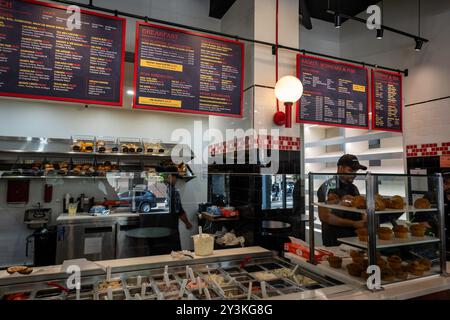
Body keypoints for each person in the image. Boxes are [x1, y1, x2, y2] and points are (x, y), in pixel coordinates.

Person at [317, 154, 367, 246]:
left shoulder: (354, 188)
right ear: (340, 168)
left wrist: (365, 220)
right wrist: (354, 224)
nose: (354, 174)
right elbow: (325, 216)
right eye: (351, 170)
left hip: (354, 239)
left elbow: (360, 210)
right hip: (335, 241)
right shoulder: (327, 187)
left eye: (356, 171)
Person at [165, 168, 193, 250]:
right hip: (170, 231)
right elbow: (179, 211)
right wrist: (188, 223)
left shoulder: (154, 188)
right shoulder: (173, 191)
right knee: (174, 255)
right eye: (175, 178)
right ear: (170, 176)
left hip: (154, 232)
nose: (176, 181)